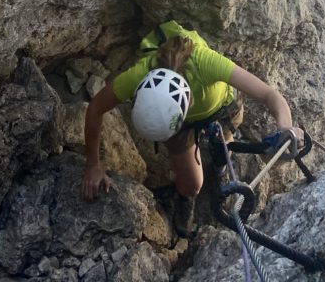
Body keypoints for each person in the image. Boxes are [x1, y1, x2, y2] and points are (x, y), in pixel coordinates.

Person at [81, 21, 304, 237]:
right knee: (191, 185)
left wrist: (286, 128)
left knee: (224, 148)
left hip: (222, 108)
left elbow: (270, 95)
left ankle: (219, 166)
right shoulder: (138, 75)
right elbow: (95, 109)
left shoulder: (205, 63)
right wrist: (93, 165)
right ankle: (187, 196)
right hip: (182, 124)